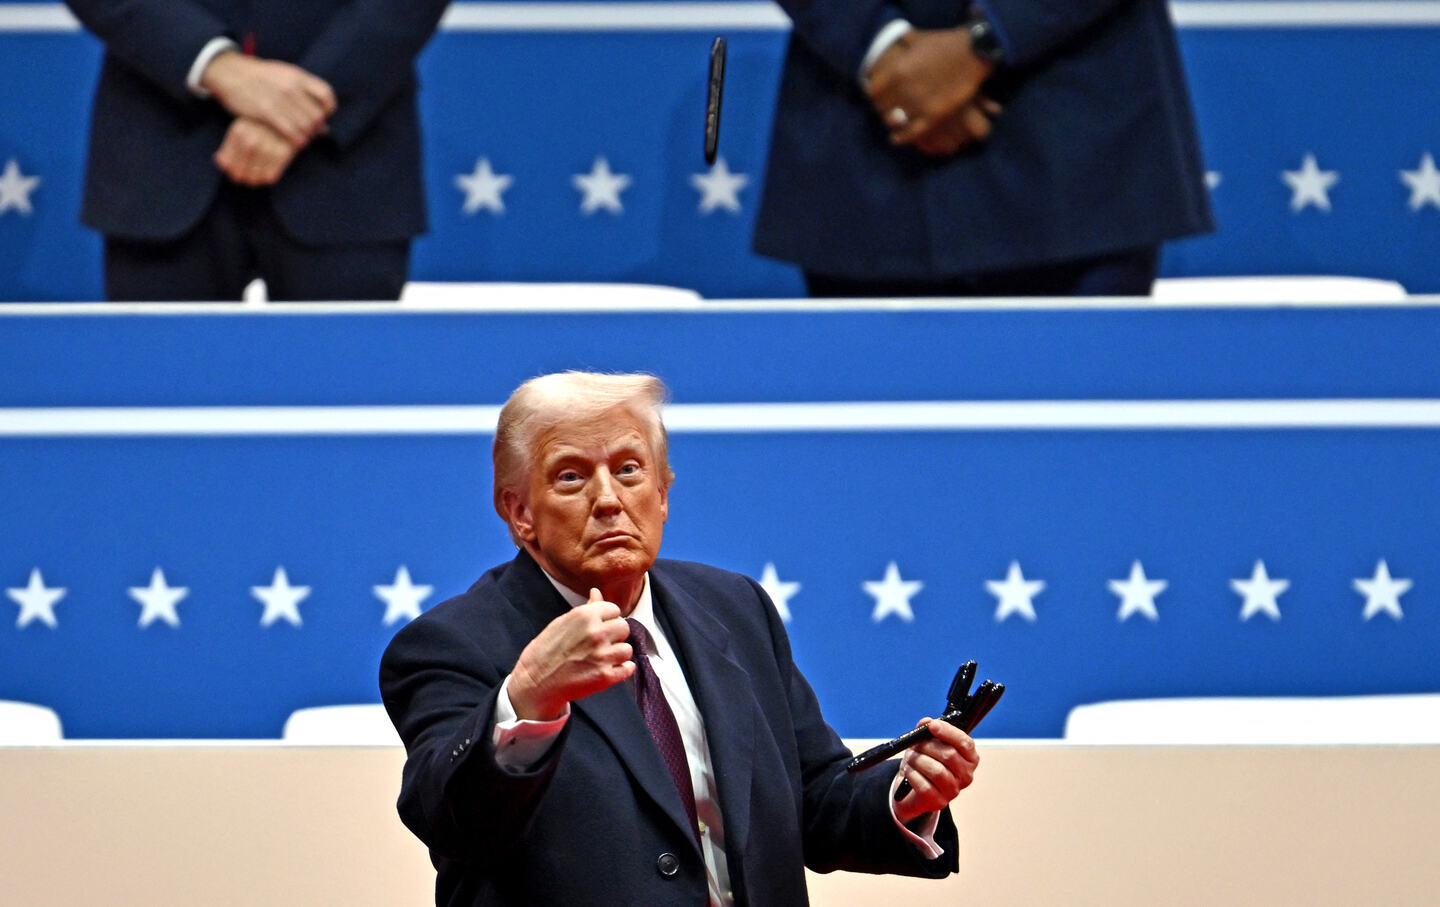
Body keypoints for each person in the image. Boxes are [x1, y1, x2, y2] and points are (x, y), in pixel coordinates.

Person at [380, 371, 980, 905]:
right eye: (570, 477)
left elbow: (814, 798)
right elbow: (454, 824)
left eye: (629, 469)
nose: (609, 499)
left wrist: (903, 797)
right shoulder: (448, 645)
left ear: (662, 493)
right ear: (519, 513)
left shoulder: (736, 609)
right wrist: (529, 694)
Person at [752, 0, 1214, 297]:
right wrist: (875, 42)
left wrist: (990, 37)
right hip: (866, 153)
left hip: (1079, 156)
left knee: (1078, 439)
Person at [63, 0, 450, 301]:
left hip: (346, 159)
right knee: (162, 389)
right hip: (161, 142)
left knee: (341, 390)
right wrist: (212, 64)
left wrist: (303, 103)